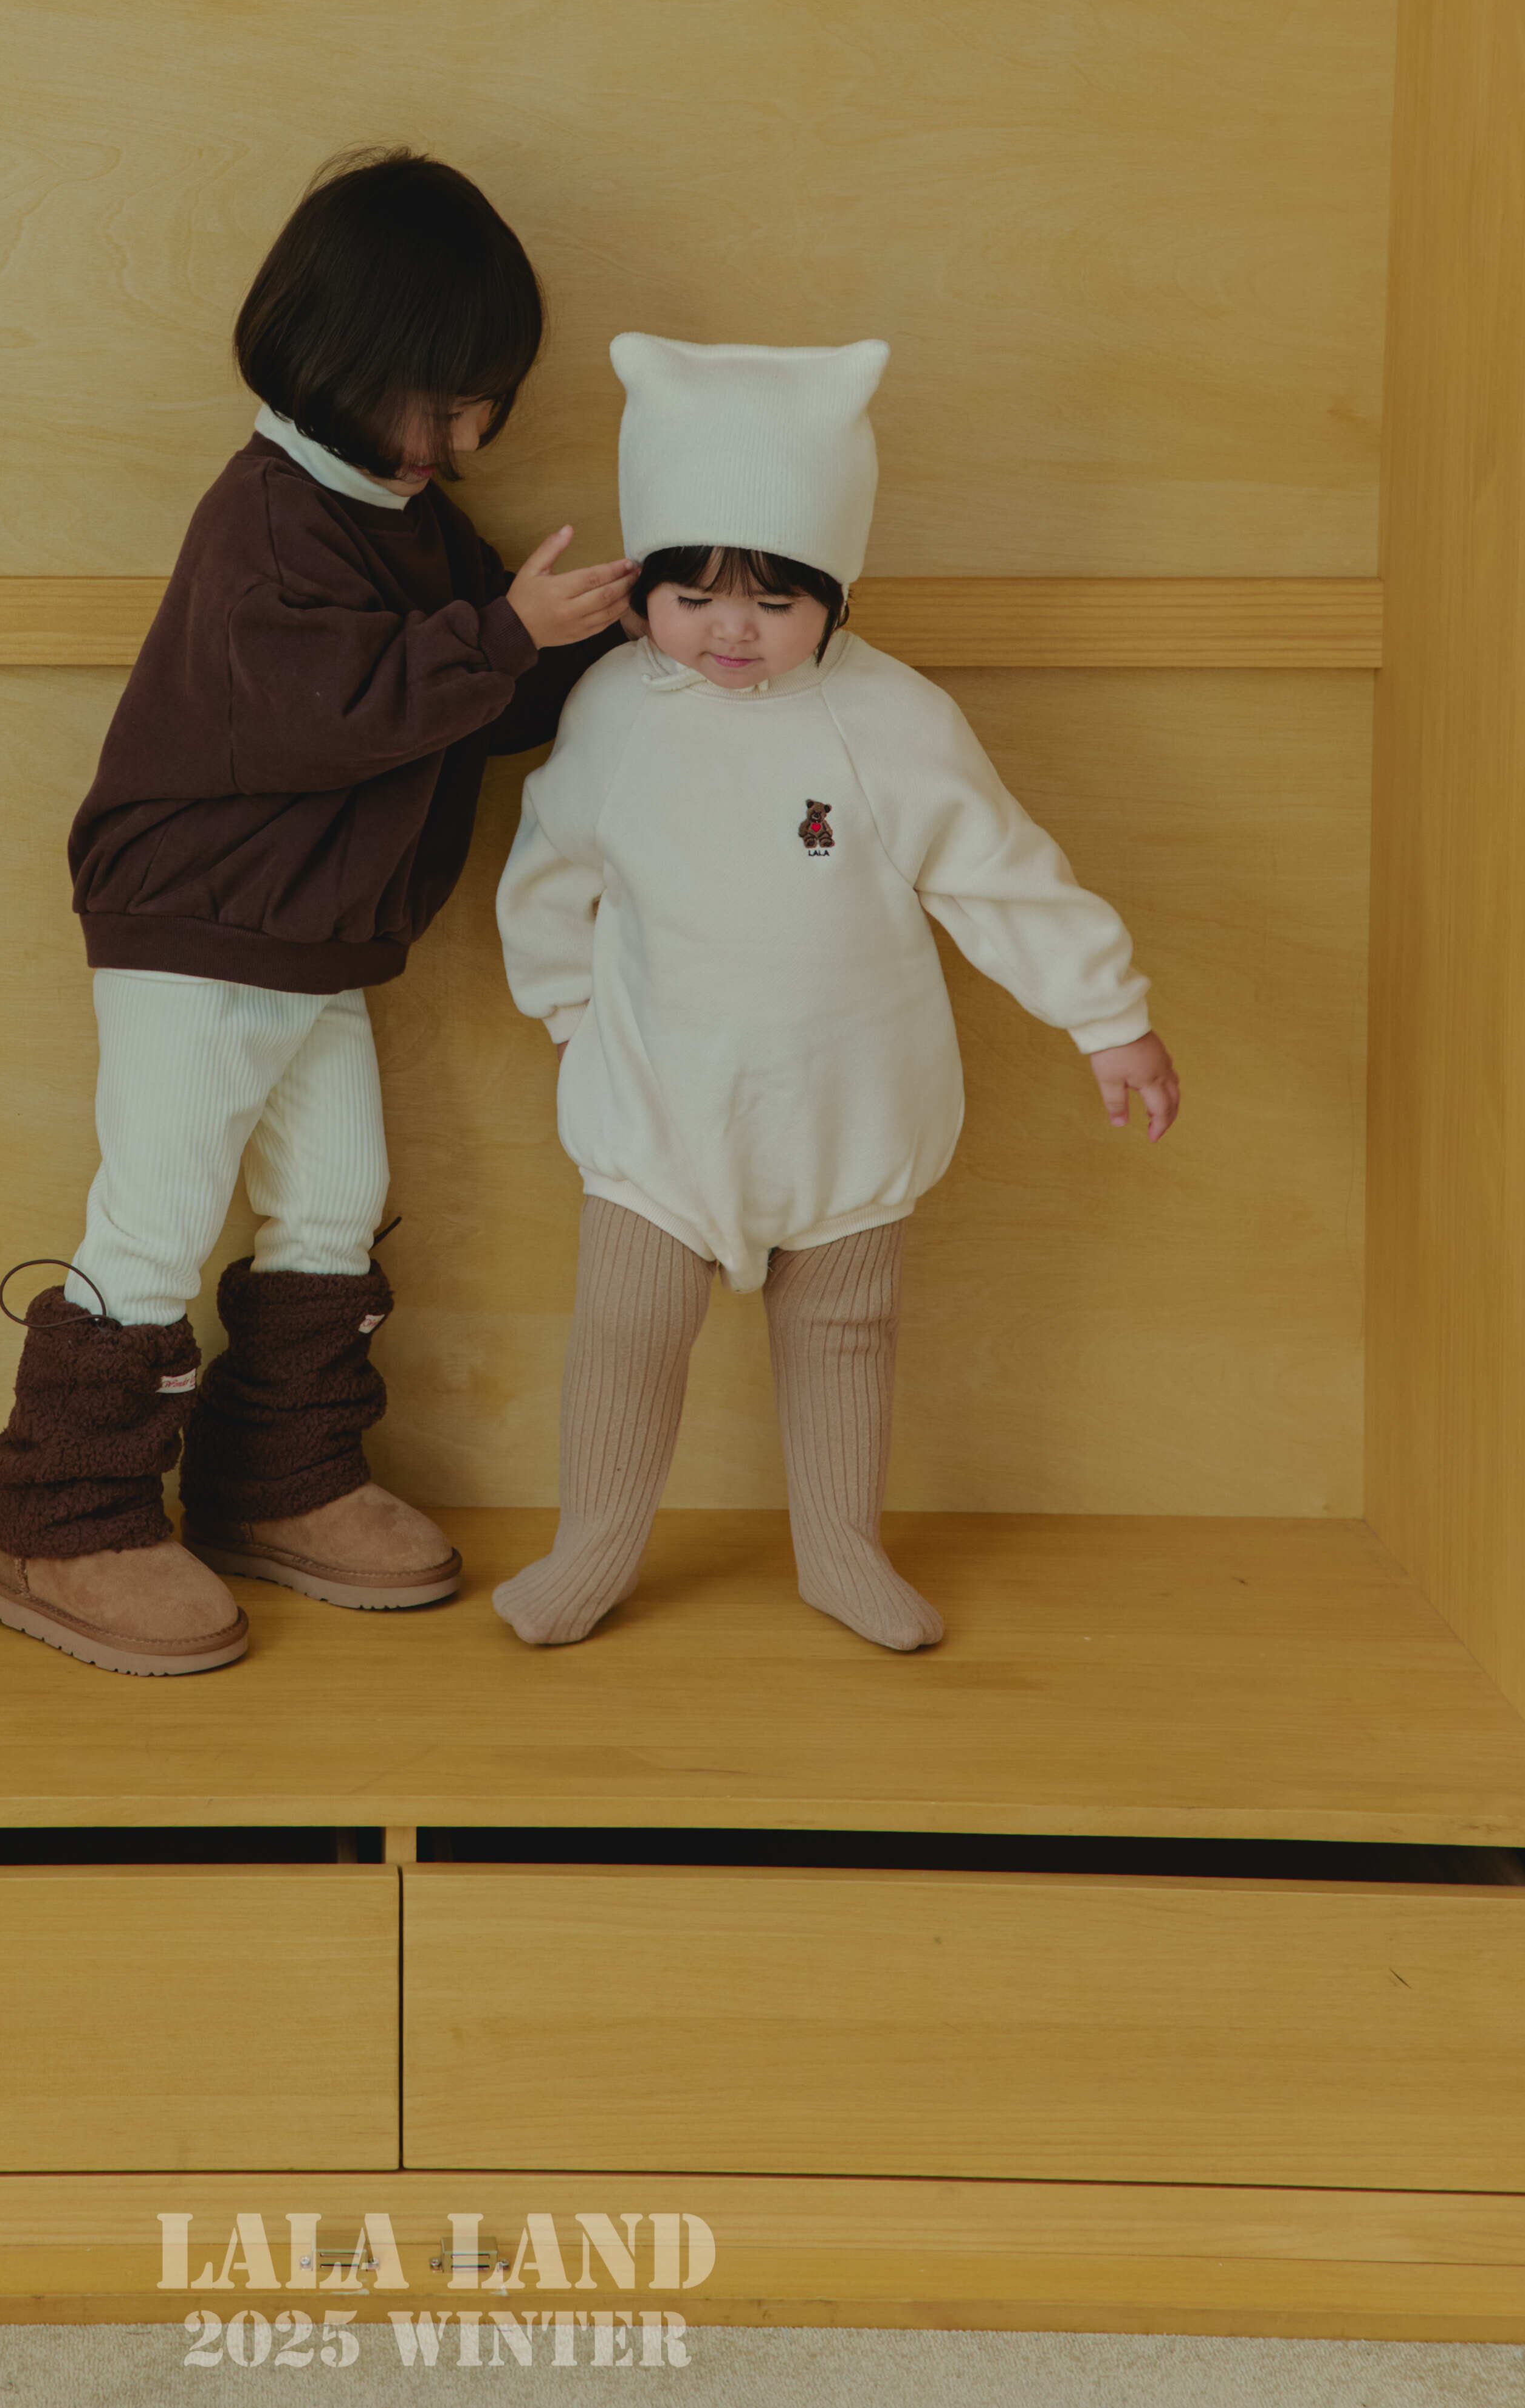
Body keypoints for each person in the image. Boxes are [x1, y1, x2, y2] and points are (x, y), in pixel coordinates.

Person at [0, 149, 635, 1675]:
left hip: (314, 941)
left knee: (334, 1199)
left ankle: (279, 1475)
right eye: (446, 407)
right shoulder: (264, 518)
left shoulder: (405, 515)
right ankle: (57, 1515)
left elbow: (470, 700)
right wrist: (500, 634)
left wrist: (626, 638)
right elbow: (328, 711)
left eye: (483, 410)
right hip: (197, 930)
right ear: (340, 363)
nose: (464, 443)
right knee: (154, 1218)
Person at [492, 333, 1179, 1653]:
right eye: (691, 596)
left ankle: (841, 1551)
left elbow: (997, 873)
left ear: (834, 595)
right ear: (643, 591)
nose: (729, 630)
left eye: (772, 601)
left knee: (846, 1335)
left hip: (848, 1106)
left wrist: (1108, 1018)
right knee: (625, 1332)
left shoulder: (890, 720)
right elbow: (548, 871)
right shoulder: (615, 715)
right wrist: (571, 1015)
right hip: (658, 1109)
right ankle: (590, 1552)